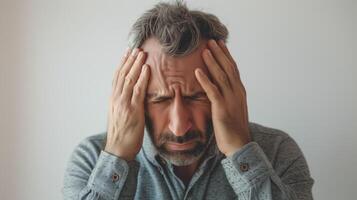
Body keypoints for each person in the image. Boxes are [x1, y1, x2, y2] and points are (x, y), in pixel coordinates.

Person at [62, 2, 314, 199]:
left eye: (198, 96)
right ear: (131, 95)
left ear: (227, 89)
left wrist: (240, 149)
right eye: (159, 99)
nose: (179, 127)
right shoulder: (92, 160)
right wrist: (117, 158)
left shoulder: (277, 152)